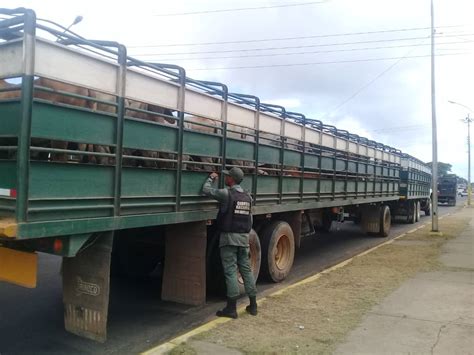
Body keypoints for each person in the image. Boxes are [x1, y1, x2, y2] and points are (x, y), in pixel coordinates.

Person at [202, 167, 258, 318]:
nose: (225, 178)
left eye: (227, 176)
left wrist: (211, 178)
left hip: (229, 238)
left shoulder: (226, 194)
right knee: (246, 270)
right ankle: (253, 305)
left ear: (231, 179)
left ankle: (231, 309)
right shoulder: (248, 197)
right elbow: (250, 219)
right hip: (244, 238)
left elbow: (206, 190)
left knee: (231, 271)